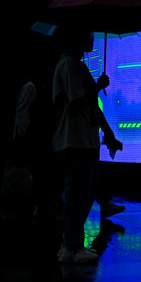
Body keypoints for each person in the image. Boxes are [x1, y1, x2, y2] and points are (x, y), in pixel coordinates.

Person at [52, 26, 123, 263]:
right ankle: (71, 246)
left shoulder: (74, 65)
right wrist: (98, 86)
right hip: (76, 139)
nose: (91, 38)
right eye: (87, 34)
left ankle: (72, 244)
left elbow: (90, 105)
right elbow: (76, 101)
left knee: (84, 192)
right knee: (77, 194)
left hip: (83, 140)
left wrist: (108, 133)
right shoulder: (70, 65)